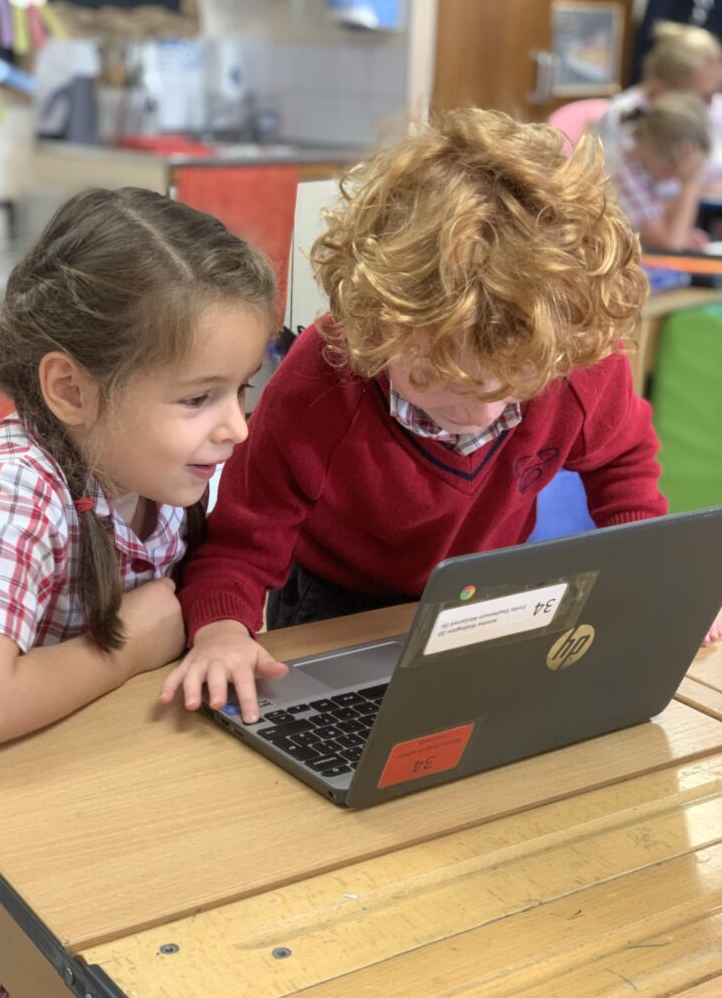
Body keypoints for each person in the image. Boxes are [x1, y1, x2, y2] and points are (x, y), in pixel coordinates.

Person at [159, 105, 693, 724]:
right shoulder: (320, 385)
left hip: (484, 587)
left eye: (513, 387)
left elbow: (623, 462)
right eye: (438, 380)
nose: (481, 411)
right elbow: (242, 545)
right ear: (376, 327)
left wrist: (651, 576)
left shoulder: (571, 356)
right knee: (333, 745)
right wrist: (222, 629)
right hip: (340, 595)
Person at [0, 187, 275, 998]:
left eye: (242, 388)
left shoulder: (158, 466)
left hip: (125, 796)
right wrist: (133, 645)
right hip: (37, 869)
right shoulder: (16, 480)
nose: (236, 427)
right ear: (70, 388)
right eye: (200, 397)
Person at [594, 20, 722, 178]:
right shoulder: (623, 118)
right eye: (703, 96)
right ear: (664, 88)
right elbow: (613, 191)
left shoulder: (715, 109)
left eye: (717, 89)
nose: (712, 102)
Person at [611, 91, 712, 250]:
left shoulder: (645, 168)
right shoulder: (622, 174)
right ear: (651, 152)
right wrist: (690, 185)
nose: (678, 174)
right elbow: (670, 244)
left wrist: (685, 235)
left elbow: (667, 230)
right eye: (675, 166)